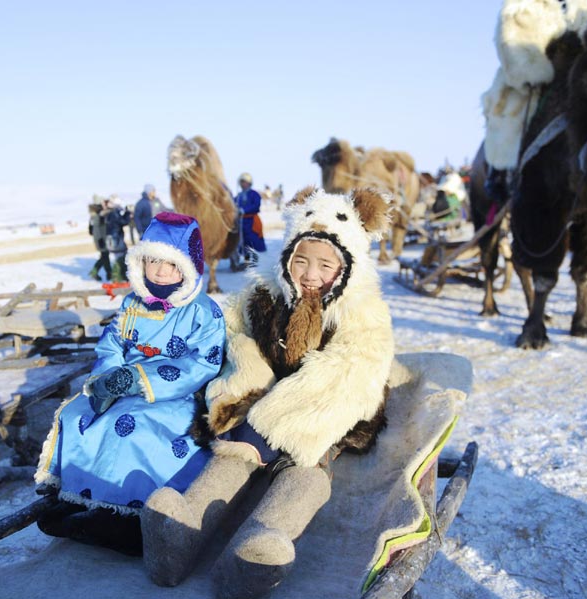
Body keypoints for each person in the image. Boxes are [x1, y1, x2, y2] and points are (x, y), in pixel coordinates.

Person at [142, 186, 395, 596]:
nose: (311, 274)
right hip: (259, 407)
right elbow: (232, 328)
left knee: (305, 479)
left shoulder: (361, 312)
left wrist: (286, 413)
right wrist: (247, 378)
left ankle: (258, 547)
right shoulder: (264, 296)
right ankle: (180, 531)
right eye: (301, 261)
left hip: (318, 421)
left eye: (325, 265)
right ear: (286, 258)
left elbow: (359, 367)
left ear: (347, 267)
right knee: (234, 458)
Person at [34, 212, 226, 556]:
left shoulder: (203, 310)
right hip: (120, 385)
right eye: (154, 262)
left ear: (188, 266)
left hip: (172, 394)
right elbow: (111, 343)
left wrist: (140, 379)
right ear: (141, 263)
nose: (162, 271)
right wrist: (110, 377)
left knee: (137, 428)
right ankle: (80, 494)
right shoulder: (131, 303)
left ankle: (131, 517)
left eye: (172, 264)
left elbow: (203, 362)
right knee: (78, 414)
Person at [481, 0, 587, 204]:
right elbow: (511, 48)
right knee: (513, 115)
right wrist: (540, 72)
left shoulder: (584, 6)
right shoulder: (519, 6)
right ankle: (500, 174)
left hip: (577, 78)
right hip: (534, 83)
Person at [233, 172, 266, 266]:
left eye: (244, 182)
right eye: (241, 182)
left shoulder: (255, 194)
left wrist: (244, 210)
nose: (242, 184)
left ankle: (255, 261)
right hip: (241, 222)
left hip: (252, 221)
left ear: (249, 183)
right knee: (243, 242)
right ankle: (246, 261)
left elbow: (256, 206)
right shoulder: (238, 196)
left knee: (253, 241)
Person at [104, 195, 132, 281]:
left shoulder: (109, 212)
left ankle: (120, 276)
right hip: (116, 238)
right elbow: (123, 221)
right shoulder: (114, 213)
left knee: (120, 256)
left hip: (113, 237)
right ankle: (117, 277)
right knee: (121, 256)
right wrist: (128, 213)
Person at [87, 197, 112, 281]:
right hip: (101, 238)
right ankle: (94, 272)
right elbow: (96, 229)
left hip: (100, 238)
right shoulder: (98, 214)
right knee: (104, 256)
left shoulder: (94, 214)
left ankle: (109, 273)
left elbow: (91, 230)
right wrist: (100, 239)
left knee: (105, 256)